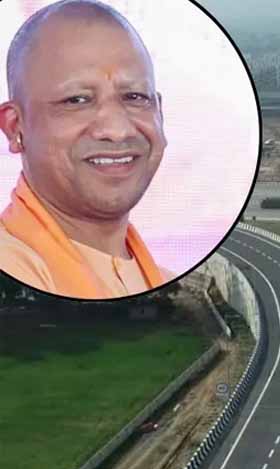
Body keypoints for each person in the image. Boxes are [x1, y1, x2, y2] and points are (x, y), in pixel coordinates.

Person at [0, 0, 174, 299]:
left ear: (159, 112)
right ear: (16, 127)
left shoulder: (162, 283)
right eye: (77, 100)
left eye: (135, 97)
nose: (117, 130)